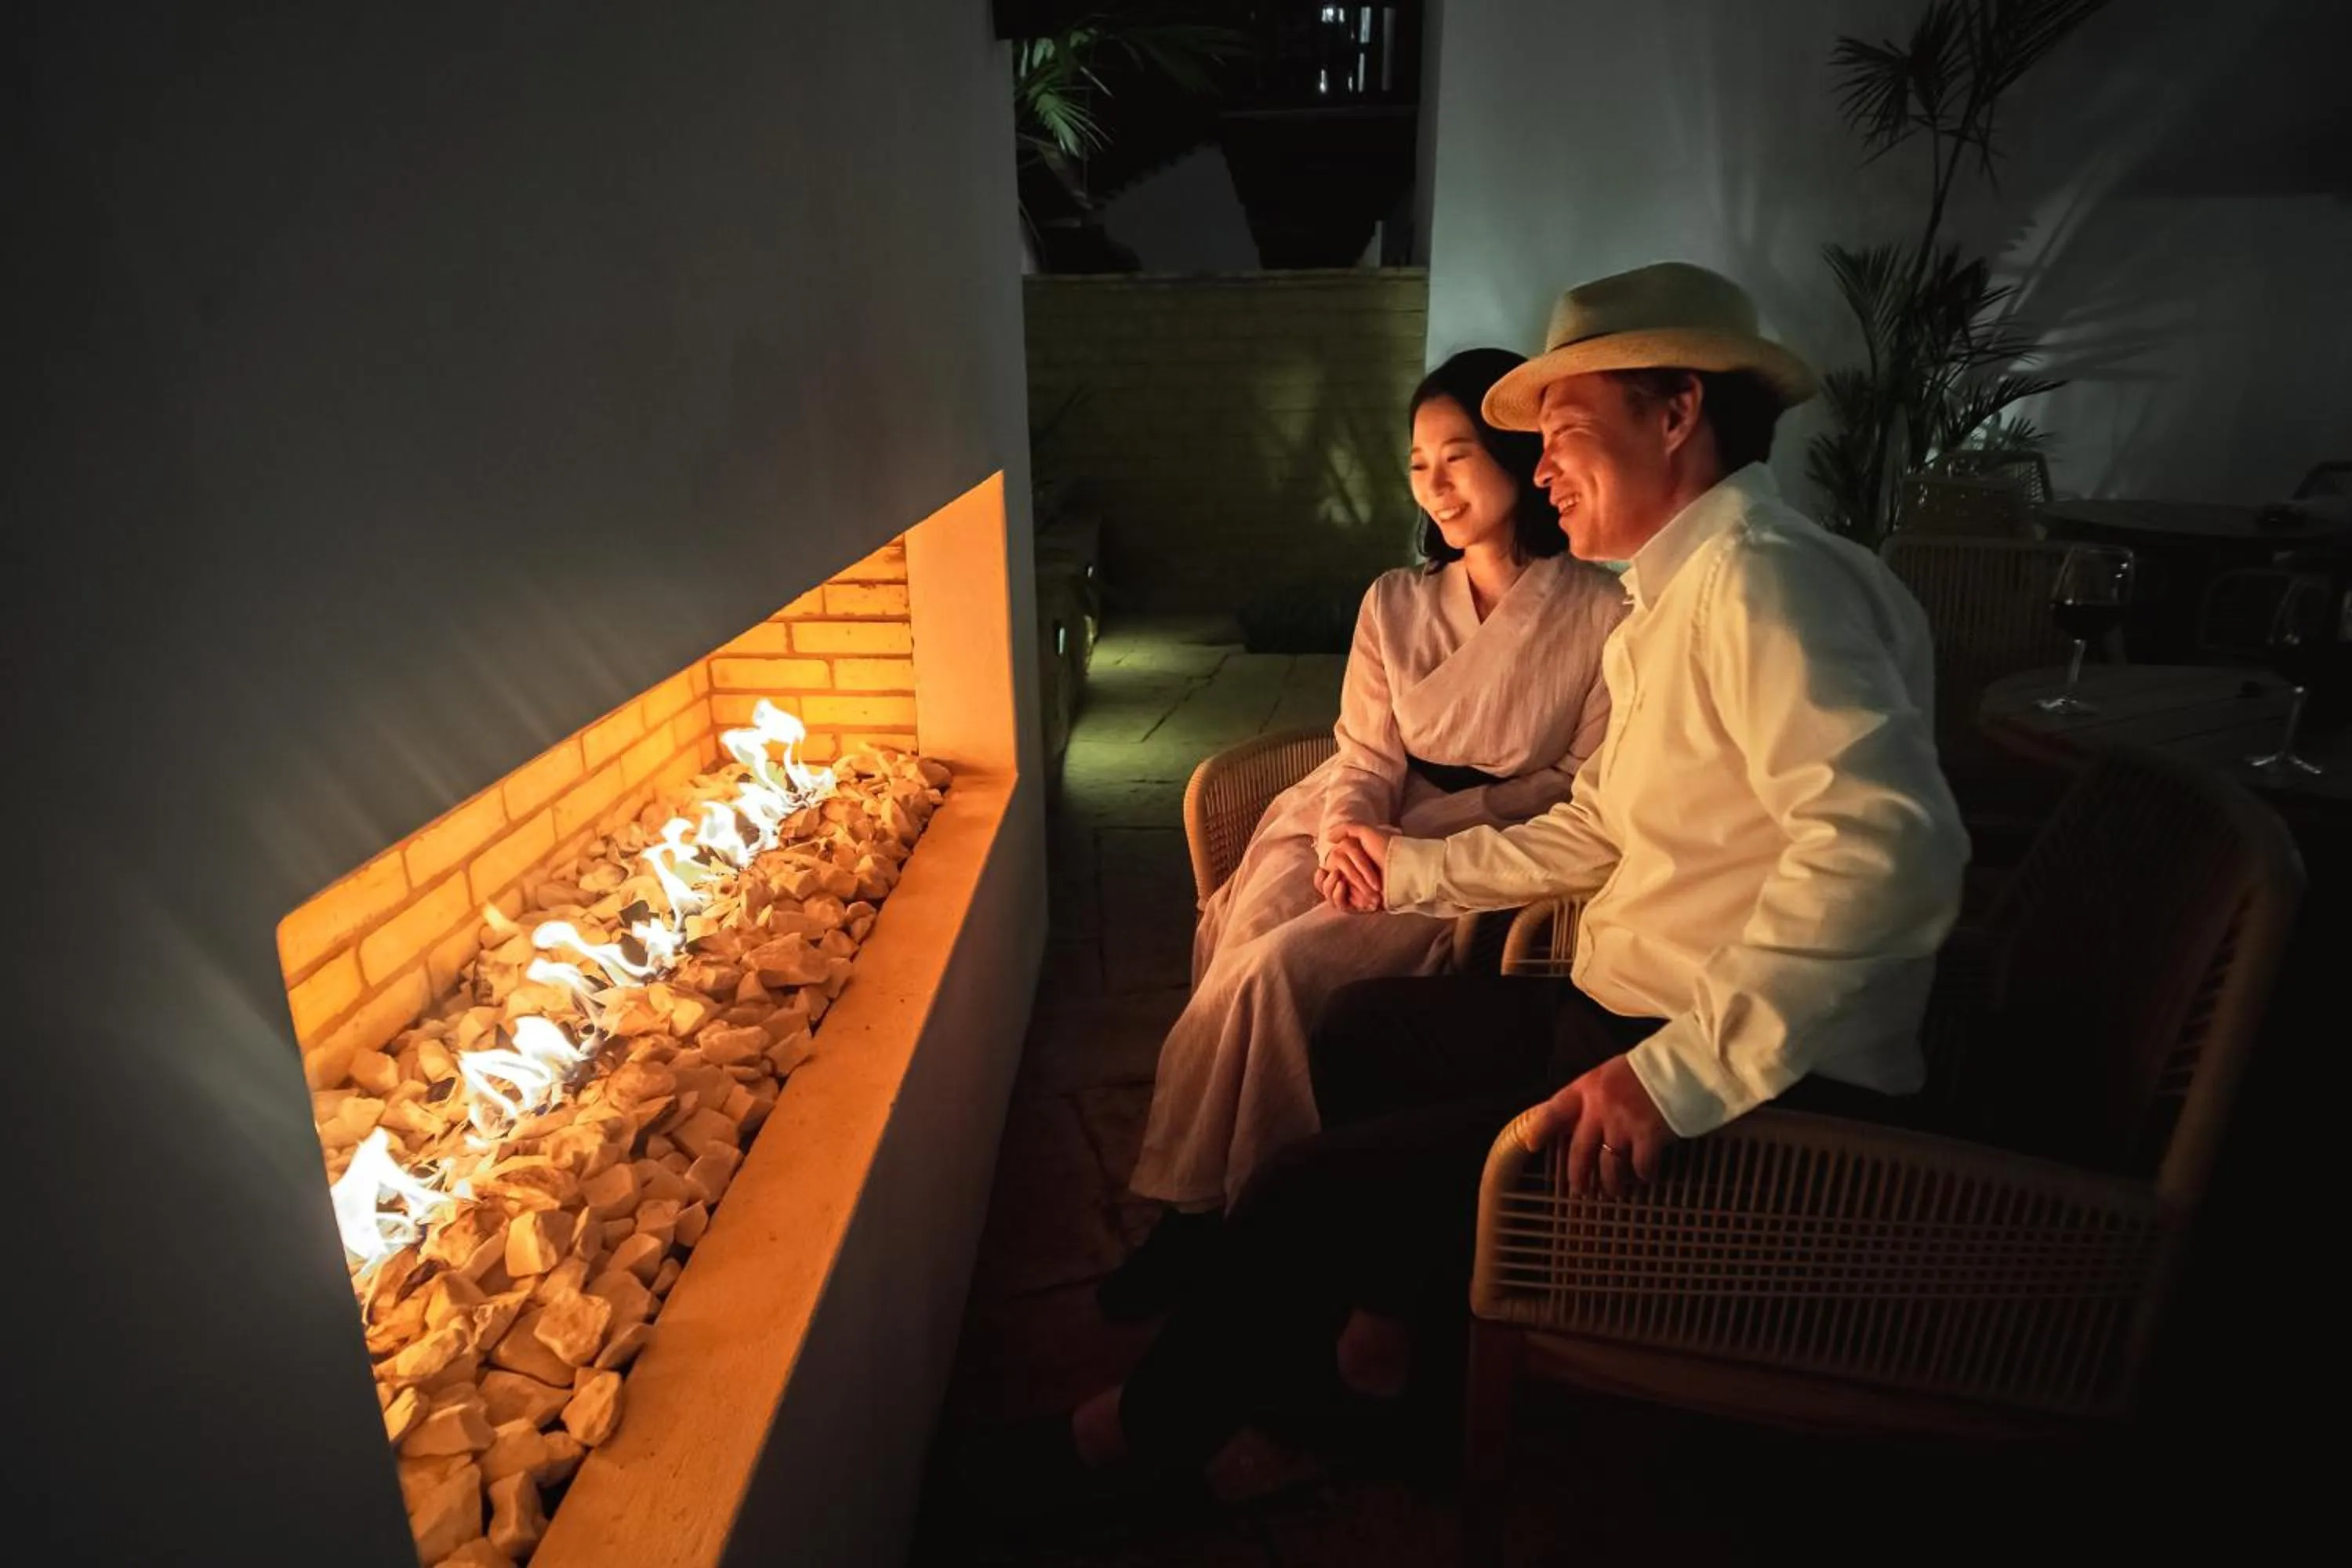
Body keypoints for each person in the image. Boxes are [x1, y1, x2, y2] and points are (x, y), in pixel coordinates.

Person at [1064, 261, 1971, 1482]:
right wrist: (1405, 873)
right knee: (1359, 1029)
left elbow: (1890, 846)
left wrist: (1682, 1076)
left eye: (1563, 433)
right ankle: (1400, 1362)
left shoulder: (1763, 582)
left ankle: (1156, 1439)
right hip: (1618, 1004)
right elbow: (1599, 827)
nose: (1537, 470)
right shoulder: (1676, 589)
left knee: (1299, 1192)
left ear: (1677, 411)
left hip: (1722, 1069)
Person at [1102, 348, 1627, 1323]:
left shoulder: (1600, 610)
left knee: (1276, 973)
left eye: (1458, 455)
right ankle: (1202, 1203)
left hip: (1474, 845)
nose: (1435, 483)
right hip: (1359, 812)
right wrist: (1347, 829)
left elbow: (1576, 782)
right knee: (1245, 925)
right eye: (1419, 462)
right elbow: (1364, 748)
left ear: (1518, 454)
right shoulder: (1394, 601)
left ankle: (1238, 1220)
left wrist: (1422, 850)